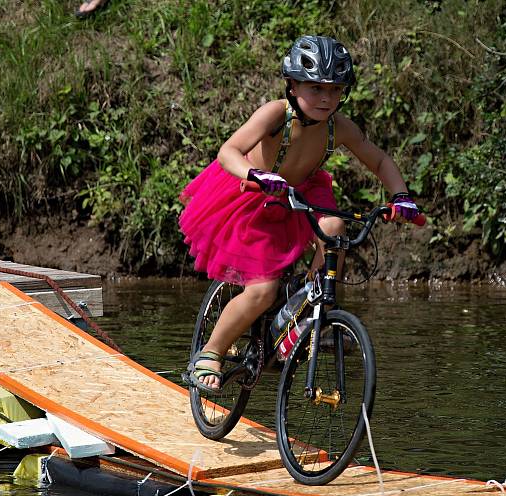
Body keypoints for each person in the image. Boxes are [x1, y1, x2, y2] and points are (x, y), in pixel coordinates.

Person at [179, 35, 420, 393]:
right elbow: (228, 151)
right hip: (254, 195)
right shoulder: (276, 114)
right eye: (315, 88)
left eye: (335, 90)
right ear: (292, 85)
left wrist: (401, 196)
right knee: (262, 290)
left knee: (335, 225)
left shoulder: (340, 126)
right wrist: (256, 174)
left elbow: (380, 159)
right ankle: (210, 352)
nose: (326, 98)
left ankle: (315, 307)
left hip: (303, 190)